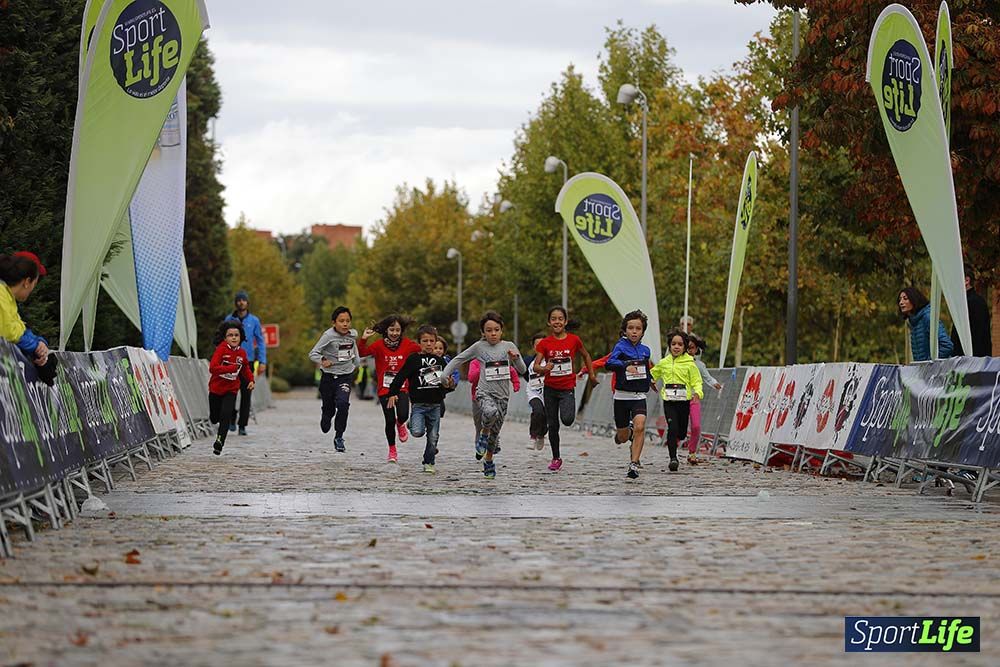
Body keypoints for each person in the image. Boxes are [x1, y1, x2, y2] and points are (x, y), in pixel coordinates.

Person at [442, 311, 526, 479]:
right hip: (484, 392)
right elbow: (458, 359)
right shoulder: (478, 347)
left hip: (503, 397)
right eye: (489, 330)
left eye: (496, 330)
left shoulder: (509, 346)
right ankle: (484, 433)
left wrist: (515, 358)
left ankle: (488, 460)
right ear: (483, 332)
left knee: (495, 434)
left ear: (501, 330)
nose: (493, 333)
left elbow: (522, 369)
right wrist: (445, 375)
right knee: (489, 412)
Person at [533, 306, 596, 472]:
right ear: (549, 322)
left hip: (567, 388)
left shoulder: (574, 340)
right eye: (553, 319)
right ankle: (556, 458)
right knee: (553, 425)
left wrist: (591, 375)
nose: (557, 322)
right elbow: (536, 367)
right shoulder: (545, 343)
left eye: (560, 319)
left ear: (565, 321)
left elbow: (586, 355)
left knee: (567, 419)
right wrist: (544, 368)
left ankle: (565, 412)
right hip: (550, 389)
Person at [358, 314, 421, 463]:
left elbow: (423, 348)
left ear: (401, 331)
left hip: (402, 388)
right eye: (392, 330)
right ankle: (392, 450)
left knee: (403, 415)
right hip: (385, 389)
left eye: (397, 330)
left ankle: (401, 424)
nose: (394, 333)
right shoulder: (378, 346)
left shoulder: (407, 344)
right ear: (386, 330)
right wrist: (364, 339)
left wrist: (432, 342)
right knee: (389, 420)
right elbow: (362, 353)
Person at [387, 325, 449, 473]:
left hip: (435, 405)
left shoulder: (440, 361)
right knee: (417, 432)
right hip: (418, 405)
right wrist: (392, 392)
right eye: (425, 341)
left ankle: (429, 462)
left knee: (433, 437)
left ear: (435, 342)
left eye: (431, 341)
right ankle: (411, 424)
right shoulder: (414, 359)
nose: (428, 344)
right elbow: (401, 376)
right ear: (419, 343)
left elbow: (447, 382)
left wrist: (449, 385)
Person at [604, 310, 655, 479]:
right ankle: (628, 434)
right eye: (631, 328)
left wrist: (650, 379)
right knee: (623, 436)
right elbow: (609, 363)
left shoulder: (646, 350)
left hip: (639, 396)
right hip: (621, 396)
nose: (634, 332)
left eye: (638, 329)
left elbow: (645, 369)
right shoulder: (620, 346)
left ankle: (633, 464)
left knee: (641, 426)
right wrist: (626, 365)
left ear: (643, 331)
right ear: (625, 330)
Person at [308, 306, 360, 452]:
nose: (345, 324)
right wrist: (323, 360)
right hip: (328, 377)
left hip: (345, 376)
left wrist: (356, 364)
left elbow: (355, 352)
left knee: (343, 405)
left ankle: (339, 436)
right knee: (329, 409)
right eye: (341, 321)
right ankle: (326, 415)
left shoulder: (352, 335)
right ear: (334, 323)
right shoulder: (328, 336)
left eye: (348, 321)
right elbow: (312, 353)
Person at [651, 330, 703, 472]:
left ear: (685, 347)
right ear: (669, 346)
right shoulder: (664, 362)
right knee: (672, 428)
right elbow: (653, 373)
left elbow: (697, 381)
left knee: (681, 432)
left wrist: (698, 392)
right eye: (673, 344)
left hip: (684, 401)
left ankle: (681, 436)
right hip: (669, 401)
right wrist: (651, 381)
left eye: (680, 344)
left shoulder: (690, 363)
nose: (676, 347)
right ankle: (673, 458)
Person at [0, 253, 56, 382]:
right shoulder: (2, 293)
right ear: (26, 282)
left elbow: (20, 328)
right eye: (34, 284)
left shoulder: (8, 296)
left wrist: (38, 343)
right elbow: (8, 331)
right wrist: (35, 346)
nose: (32, 290)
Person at [208, 320, 255, 455]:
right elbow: (213, 368)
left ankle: (219, 442)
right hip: (216, 389)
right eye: (230, 335)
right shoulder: (221, 350)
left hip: (231, 389)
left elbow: (245, 368)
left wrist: (251, 380)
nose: (234, 338)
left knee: (226, 414)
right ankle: (214, 418)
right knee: (215, 417)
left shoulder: (242, 353)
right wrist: (230, 368)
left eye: (236, 335)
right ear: (225, 337)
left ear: (241, 337)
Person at [226, 290, 267, 435]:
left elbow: (260, 341)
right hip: (231, 361)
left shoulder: (254, 321)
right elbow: (222, 339)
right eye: (239, 300)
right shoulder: (229, 319)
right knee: (230, 392)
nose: (241, 302)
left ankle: (242, 425)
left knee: (246, 394)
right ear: (236, 303)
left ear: (247, 303)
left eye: (243, 300)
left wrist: (262, 361)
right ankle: (232, 417)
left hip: (247, 362)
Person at [468, 351, 520, 457]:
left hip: (497, 397)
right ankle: (480, 447)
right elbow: (471, 378)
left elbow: (511, 371)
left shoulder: (500, 363)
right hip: (479, 399)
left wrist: (516, 383)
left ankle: (494, 443)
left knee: (494, 421)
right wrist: (484, 368)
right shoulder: (475, 363)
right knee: (479, 425)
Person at [684, 334, 723, 464]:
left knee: (696, 426)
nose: (689, 350)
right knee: (679, 428)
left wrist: (715, 383)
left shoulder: (699, 365)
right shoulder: (675, 362)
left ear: (696, 349)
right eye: (686, 347)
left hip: (694, 399)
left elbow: (707, 377)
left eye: (691, 348)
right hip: (679, 399)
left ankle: (692, 452)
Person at [898, 286, 953, 362]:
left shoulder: (928, 317)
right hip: (923, 368)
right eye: (900, 299)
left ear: (914, 299)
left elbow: (947, 346)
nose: (901, 302)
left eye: (905, 298)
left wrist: (930, 363)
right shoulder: (913, 322)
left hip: (937, 368)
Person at [950, 266, 993, 357]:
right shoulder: (968, 302)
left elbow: (978, 337)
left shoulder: (973, 303)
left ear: (966, 280)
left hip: (971, 360)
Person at [522, 332, 548, 450]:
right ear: (533, 347)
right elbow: (523, 372)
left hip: (548, 393)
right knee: (537, 411)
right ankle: (533, 437)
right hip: (533, 392)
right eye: (537, 345)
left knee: (546, 415)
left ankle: (542, 434)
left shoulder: (551, 360)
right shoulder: (529, 361)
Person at [434, 335, 460, 418]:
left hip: (440, 392)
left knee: (441, 411)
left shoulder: (446, 361)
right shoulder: (425, 360)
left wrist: (453, 381)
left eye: (440, 348)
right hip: (426, 392)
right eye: (435, 348)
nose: (438, 350)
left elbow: (455, 372)